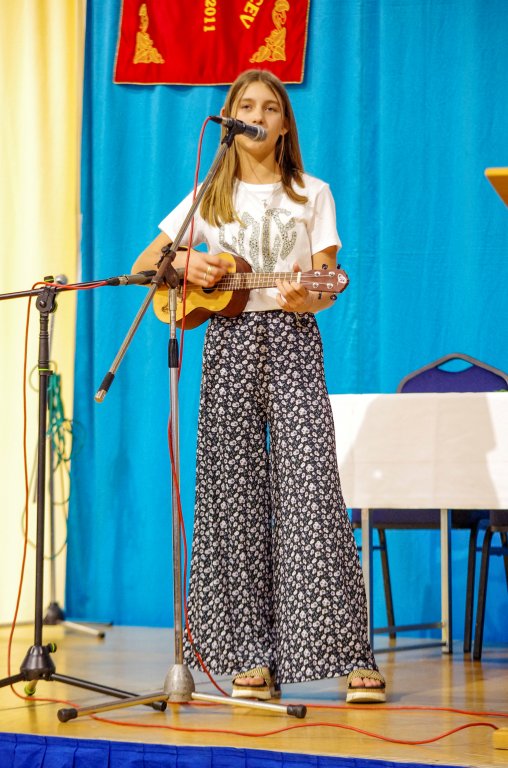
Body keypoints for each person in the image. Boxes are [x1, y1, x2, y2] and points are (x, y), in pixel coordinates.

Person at [133, 68, 386, 703]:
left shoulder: (312, 193)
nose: (257, 115)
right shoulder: (208, 195)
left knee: (309, 489)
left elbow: (328, 281)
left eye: (270, 107)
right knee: (233, 495)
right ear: (230, 117)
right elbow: (144, 266)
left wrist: (307, 298)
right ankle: (250, 656)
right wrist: (187, 261)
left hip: (292, 339)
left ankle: (349, 655)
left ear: (284, 125)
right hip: (227, 343)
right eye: (245, 105)